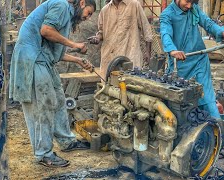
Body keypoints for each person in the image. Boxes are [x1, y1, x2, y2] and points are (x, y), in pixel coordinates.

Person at [9, 0, 96, 168]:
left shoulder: (67, 16)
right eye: (89, 13)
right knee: (42, 107)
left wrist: (78, 60)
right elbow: (46, 30)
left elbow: (55, 53)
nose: (88, 17)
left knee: (58, 98)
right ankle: (44, 154)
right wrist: (74, 44)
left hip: (44, 59)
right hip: (32, 58)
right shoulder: (62, 5)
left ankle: (66, 141)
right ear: (82, 3)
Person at [160, 0, 224, 118]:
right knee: (180, 104)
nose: (189, 6)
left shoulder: (194, 9)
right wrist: (172, 50)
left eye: (192, 2)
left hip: (199, 62)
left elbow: (208, 23)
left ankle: (216, 128)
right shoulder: (167, 15)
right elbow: (165, 34)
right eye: (187, 2)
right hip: (180, 66)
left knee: (207, 99)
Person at [88, 0, 153, 79]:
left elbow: (146, 29)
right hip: (110, 58)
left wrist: (148, 52)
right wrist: (97, 38)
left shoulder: (134, 5)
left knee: (132, 85)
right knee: (108, 86)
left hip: (130, 56)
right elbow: (101, 32)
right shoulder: (104, 10)